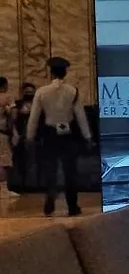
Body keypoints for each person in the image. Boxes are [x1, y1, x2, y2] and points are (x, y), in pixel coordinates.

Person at [27, 57, 93, 216]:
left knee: (50, 169)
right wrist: (88, 137)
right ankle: (72, 206)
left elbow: (34, 117)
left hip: (50, 134)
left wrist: (30, 137)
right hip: (67, 134)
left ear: (51, 73)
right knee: (70, 171)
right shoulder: (73, 91)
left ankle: (51, 192)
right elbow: (80, 116)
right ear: (65, 73)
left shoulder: (41, 92)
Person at [0, 77, 15, 199]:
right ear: (5, 85)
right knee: (4, 162)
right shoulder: (7, 97)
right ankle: (4, 189)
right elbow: (13, 115)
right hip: (3, 132)